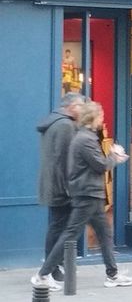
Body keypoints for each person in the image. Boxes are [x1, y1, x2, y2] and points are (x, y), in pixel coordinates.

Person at [32, 101, 132, 290]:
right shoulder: (85, 139)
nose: (102, 119)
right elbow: (100, 165)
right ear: (93, 118)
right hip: (87, 194)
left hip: (89, 194)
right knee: (70, 234)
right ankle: (43, 274)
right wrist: (114, 155)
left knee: (104, 234)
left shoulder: (84, 137)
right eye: (100, 116)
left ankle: (112, 274)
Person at [36, 92, 85, 282]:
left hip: (52, 183)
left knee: (58, 225)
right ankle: (51, 269)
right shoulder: (65, 125)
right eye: (80, 106)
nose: (82, 110)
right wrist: (70, 187)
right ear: (71, 107)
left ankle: (55, 266)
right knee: (60, 226)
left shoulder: (53, 122)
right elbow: (66, 160)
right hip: (61, 186)